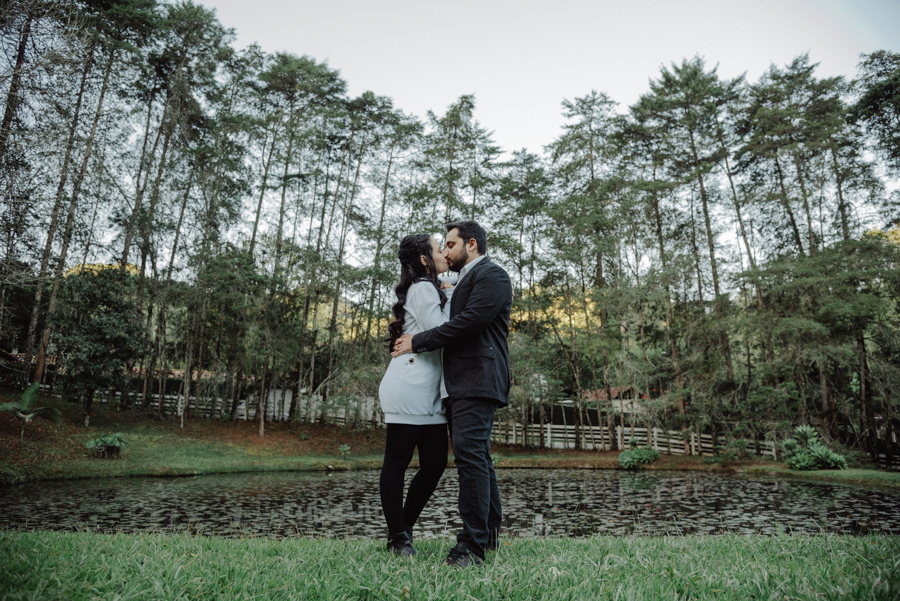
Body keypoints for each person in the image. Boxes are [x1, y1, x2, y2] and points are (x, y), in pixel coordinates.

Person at [392, 220, 512, 568]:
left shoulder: (493, 275)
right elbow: (451, 292)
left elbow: (469, 323)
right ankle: (486, 538)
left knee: (471, 458)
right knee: (478, 459)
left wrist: (418, 341)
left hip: (477, 378)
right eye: (441, 246)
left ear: (471, 244)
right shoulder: (466, 279)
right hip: (463, 382)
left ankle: (471, 547)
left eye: (450, 244)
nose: (445, 251)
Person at [378, 233, 451, 556]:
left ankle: (402, 529)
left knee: (434, 463)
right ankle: (399, 537)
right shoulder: (423, 287)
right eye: (439, 249)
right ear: (424, 260)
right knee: (396, 463)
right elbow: (440, 331)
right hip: (409, 385)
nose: (444, 254)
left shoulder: (430, 288)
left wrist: (449, 291)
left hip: (429, 391)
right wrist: (455, 296)